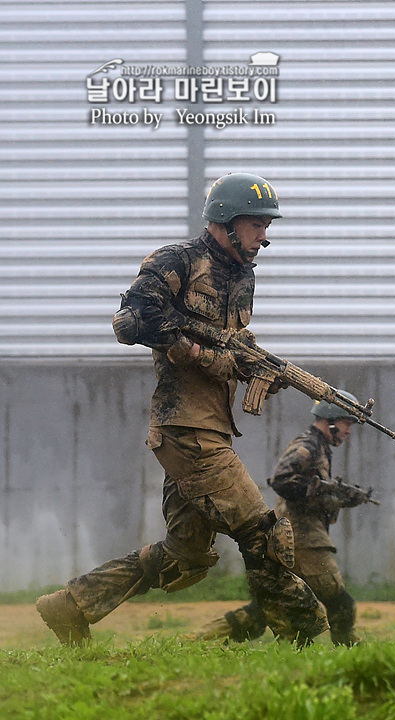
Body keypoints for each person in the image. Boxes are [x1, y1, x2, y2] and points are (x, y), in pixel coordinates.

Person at [36, 173, 328, 646]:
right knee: (263, 532)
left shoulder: (242, 275)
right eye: (256, 224)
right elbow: (131, 322)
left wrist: (253, 369)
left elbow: (232, 346)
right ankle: (306, 635)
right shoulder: (178, 261)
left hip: (210, 426)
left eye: (265, 225)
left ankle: (70, 607)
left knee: (184, 557)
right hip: (186, 429)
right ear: (225, 223)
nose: (264, 235)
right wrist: (200, 352)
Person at [196, 393, 379, 646]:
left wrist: (341, 497)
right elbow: (282, 480)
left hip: (297, 536)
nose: (349, 430)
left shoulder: (319, 446)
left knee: (270, 606)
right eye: (347, 423)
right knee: (339, 601)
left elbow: (308, 490)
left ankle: (200, 638)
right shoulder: (308, 445)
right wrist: (323, 491)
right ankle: (351, 653)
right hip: (303, 538)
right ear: (332, 421)